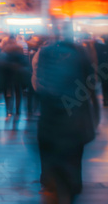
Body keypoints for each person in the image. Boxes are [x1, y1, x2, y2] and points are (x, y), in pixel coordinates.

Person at [32, 23, 98, 203]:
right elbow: (91, 82)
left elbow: (39, 84)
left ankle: (52, 184)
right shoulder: (81, 53)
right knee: (74, 157)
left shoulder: (45, 52)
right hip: (75, 118)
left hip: (50, 117)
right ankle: (72, 186)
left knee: (53, 157)